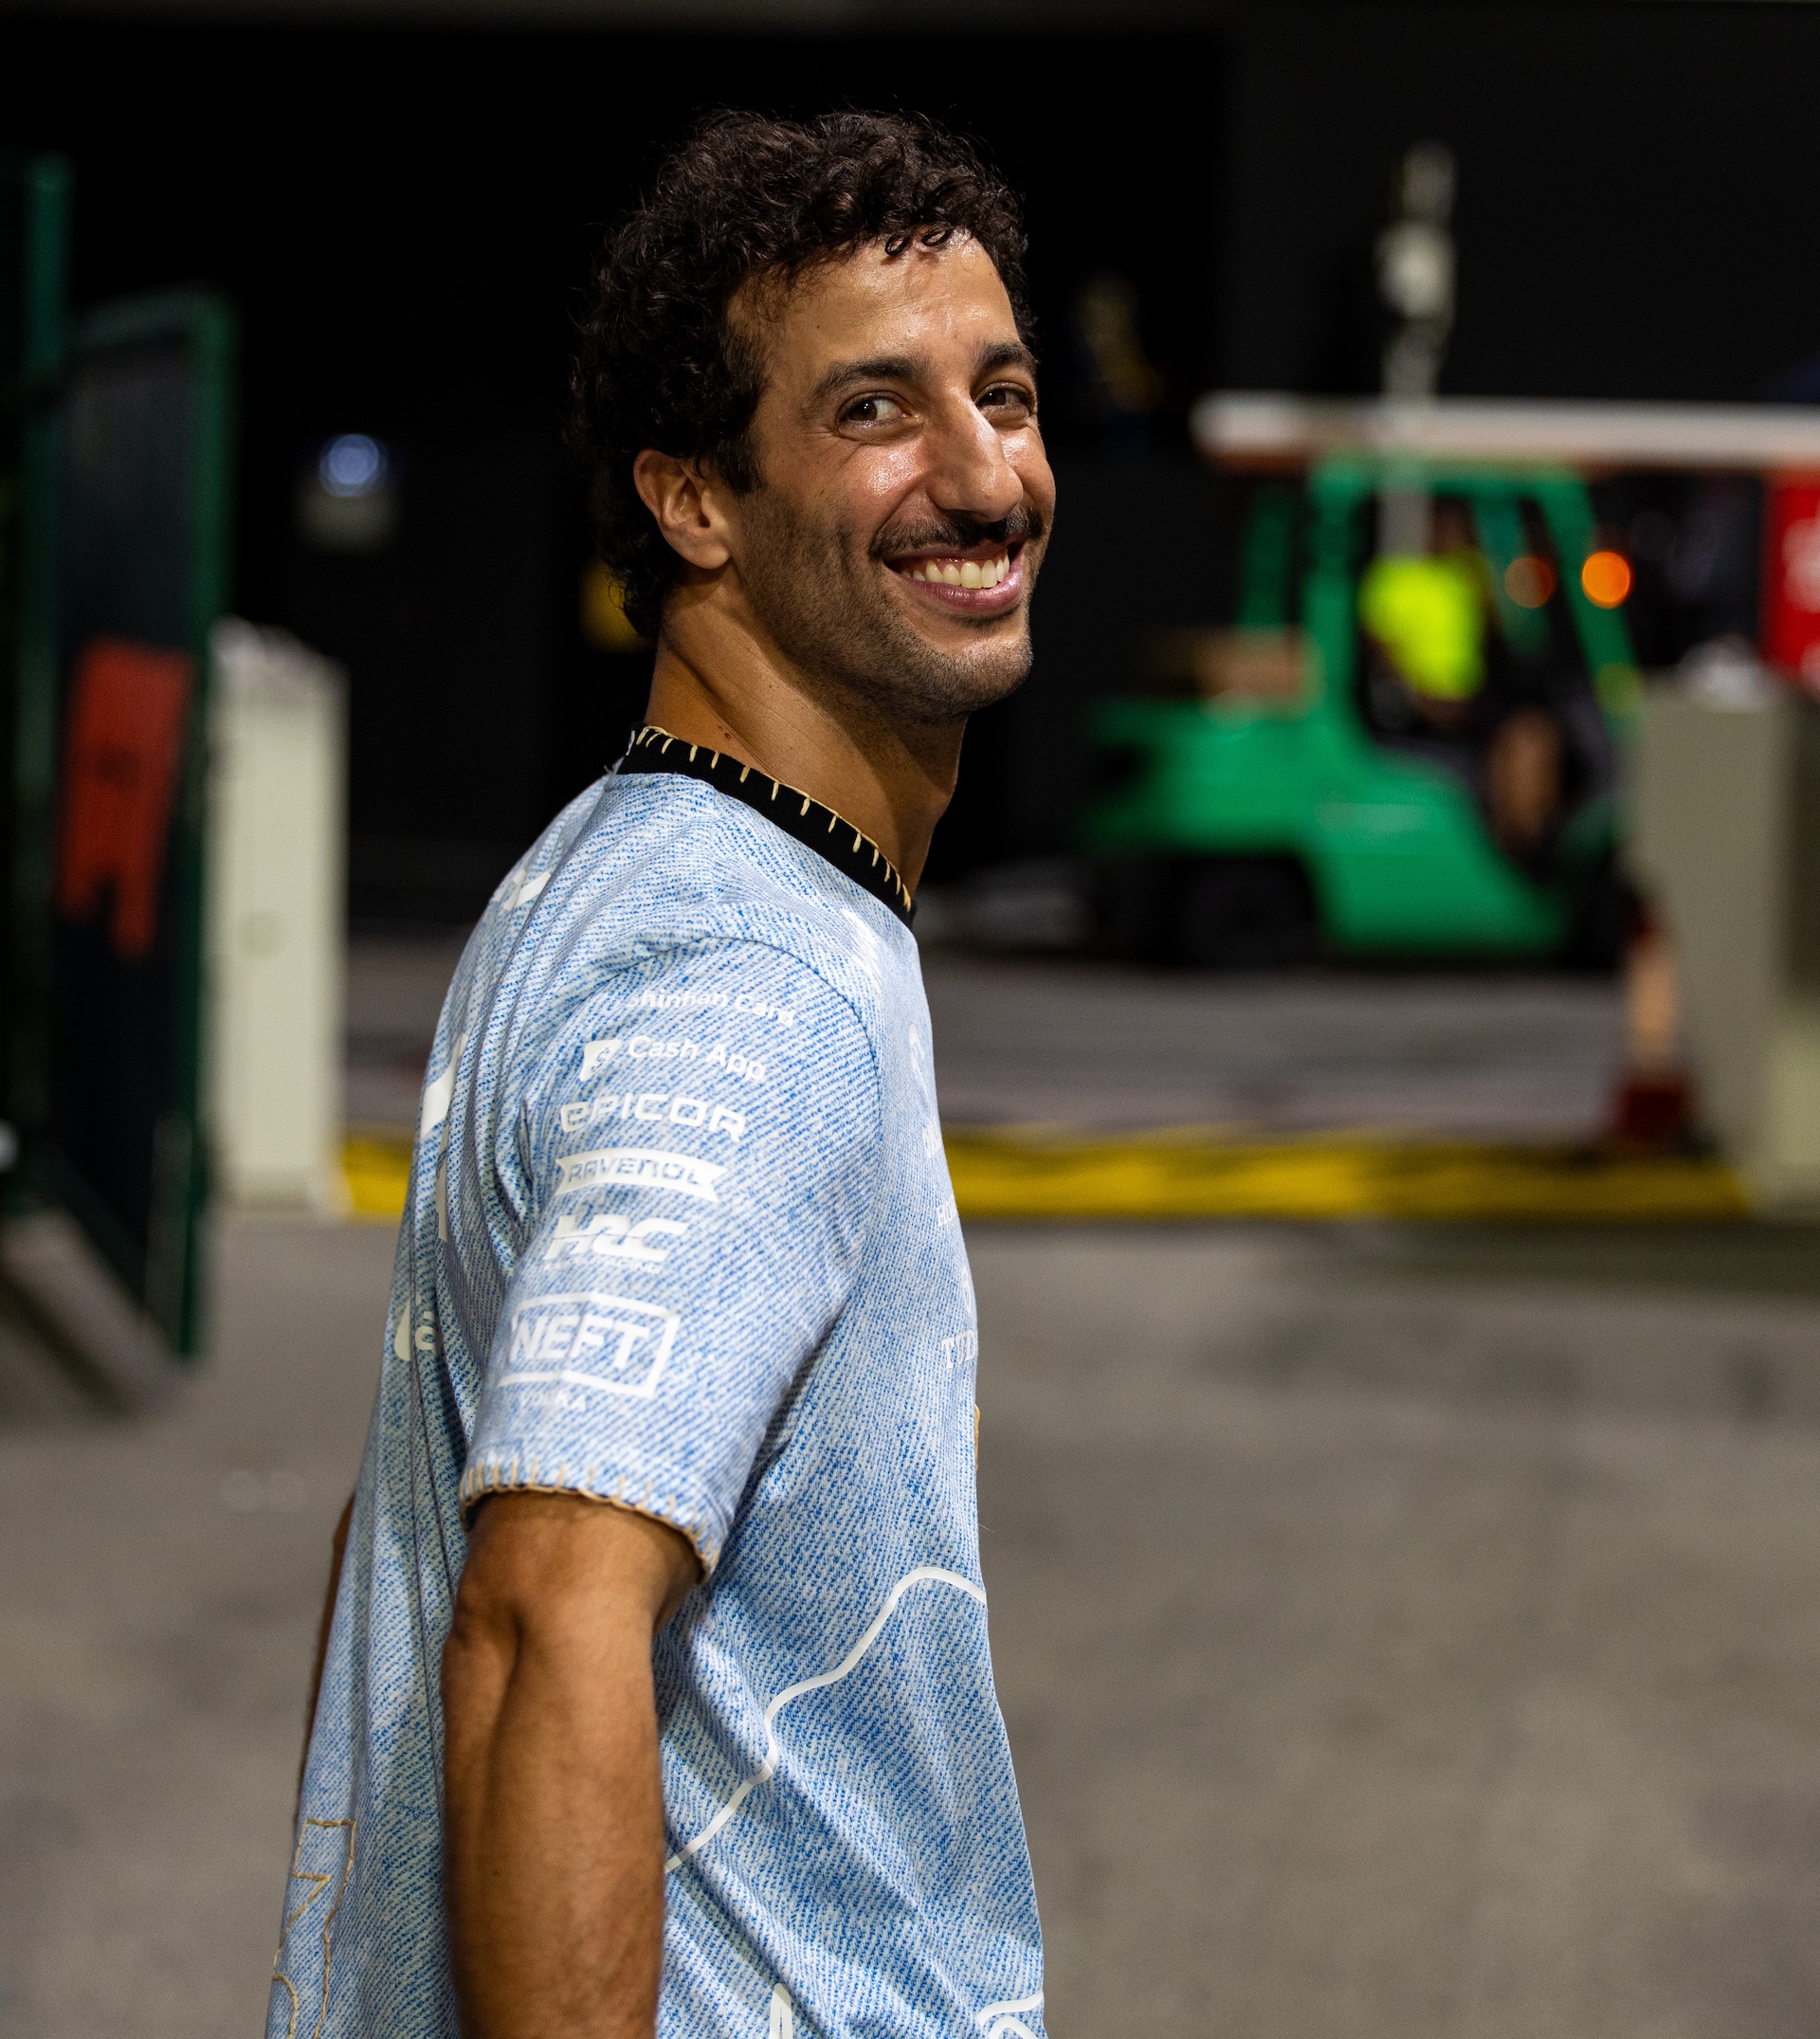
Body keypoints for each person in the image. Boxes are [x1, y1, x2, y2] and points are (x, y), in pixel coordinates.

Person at [267, 111, 1054, 2039]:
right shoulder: (750, 981)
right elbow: (541, 1614)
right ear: (694, 501)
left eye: (1005, 392)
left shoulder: (615, 869)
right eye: (877, 411)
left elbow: (424, 1540)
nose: (984, 476)